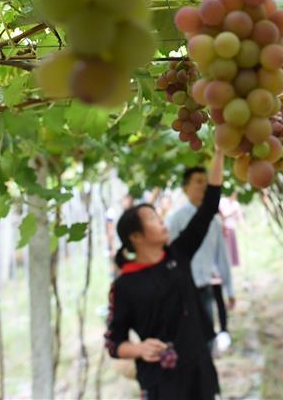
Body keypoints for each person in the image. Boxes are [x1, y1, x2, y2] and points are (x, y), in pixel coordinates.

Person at [104, 150, 225, 399]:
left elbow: (209, 206)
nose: (161, 221)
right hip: (164, 381)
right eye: (152, 218)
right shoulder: (125, 285)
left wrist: (220, 152)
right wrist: (138, 348)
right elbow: (113, 343)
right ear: (136, 237)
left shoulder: (177, 255)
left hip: (198, 366)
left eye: (158, 216)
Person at [167, 167, 235, 352]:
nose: (204, 186)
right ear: (185, 187)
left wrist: (230, 289)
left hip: (205, 287)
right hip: (182, 292)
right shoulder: (175, 220)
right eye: (198, 181)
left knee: (207, 340)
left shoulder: (214, 221)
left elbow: (222, 257)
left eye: (206, 181)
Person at [218, 192, 244, 268]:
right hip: (224, 228)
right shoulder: (222, 201)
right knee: (226, 250)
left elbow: (240, 217)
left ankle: (229, 266)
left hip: (232, 228)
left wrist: (244, 229)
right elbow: (221, 216)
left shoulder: (236, 204)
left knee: (232, 251)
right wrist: (230, 213)